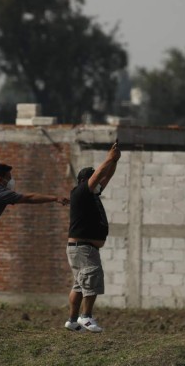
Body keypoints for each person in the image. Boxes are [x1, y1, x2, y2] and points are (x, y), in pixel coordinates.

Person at [0, 163, 70, 326]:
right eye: (9, 178)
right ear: (0, 179)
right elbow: (28, 198)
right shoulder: (1, 192)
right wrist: (55, 198)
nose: (11, 181)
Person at [65, 140, 121, 333]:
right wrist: (107, 158)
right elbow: (98, 175)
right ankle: (86, 317)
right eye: (94, 181)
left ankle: (72, 321)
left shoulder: (92, 195)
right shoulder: (81, 192)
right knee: (91, 281)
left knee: (79, 285)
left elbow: (105, 177)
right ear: (85, 181)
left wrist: (114, 161)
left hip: (81, 248)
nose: (98, 184)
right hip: (84, 248)